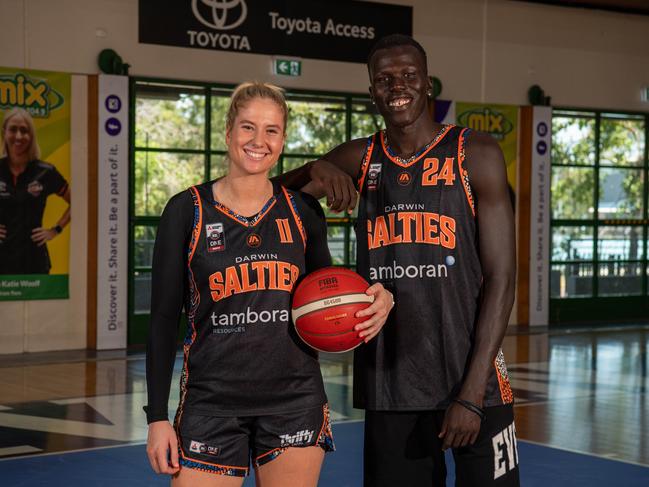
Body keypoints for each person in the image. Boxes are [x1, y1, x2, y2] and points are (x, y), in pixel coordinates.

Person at [279, 35, 519, 486]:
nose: (398, 86)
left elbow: (502, 278)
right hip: (392, 380)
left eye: (409, 75)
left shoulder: (477, 154)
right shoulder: (359, 157)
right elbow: (271, 202)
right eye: (384, 79)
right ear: (372, 91)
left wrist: (470, 394)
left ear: (429, 85)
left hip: (475, 380)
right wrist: (315, 168)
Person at [144, 82, 393, 487]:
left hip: (293, 399)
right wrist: (157, 416)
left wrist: (375, 299)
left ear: (282, 139)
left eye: (271, 130)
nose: (258, 141)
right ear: (228, 133)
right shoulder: (185, 210)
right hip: (210, 402)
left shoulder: (303, 213)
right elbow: (161, 320)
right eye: (247, 127)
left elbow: (327, 296)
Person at [0, 108, 70, 274]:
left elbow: (78, 202)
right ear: (4, 133)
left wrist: (56, 229)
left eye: (24, 131)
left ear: (31, 136)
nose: (18, 136)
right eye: (13, 129)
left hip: (35, 262)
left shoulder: (46, 172)